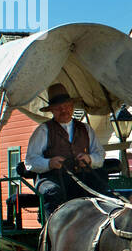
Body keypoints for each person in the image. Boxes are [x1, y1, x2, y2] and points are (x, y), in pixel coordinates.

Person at [25, 84, 112, 218]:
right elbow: (30, 161)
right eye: (59, 108)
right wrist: (49, 163)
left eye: (66, 106)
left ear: (72, 106)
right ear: (52, 111)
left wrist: (90, 159)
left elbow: (99, 154)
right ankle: (50, 231)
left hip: (81, 176)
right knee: (53, 192)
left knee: (101, 188)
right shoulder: (44, 130)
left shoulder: (86, 129)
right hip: (52, 178)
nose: (64, 110)